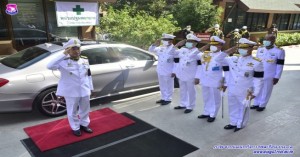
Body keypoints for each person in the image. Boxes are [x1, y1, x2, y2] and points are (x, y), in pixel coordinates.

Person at [215, 38, 264, 132]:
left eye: (244, 47)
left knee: (243, 107)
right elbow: (218, 59)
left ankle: (241, 124)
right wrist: (229, 50)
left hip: (245, 90)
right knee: (232, 106)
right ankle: (233, 122)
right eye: (240, 47)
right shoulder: (233, 59)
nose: (242, 49)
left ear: (251, 48)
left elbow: (258, 79)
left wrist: (256, 92)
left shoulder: (257, 62)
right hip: (232, 88)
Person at [47, 38, 94, 137]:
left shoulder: (84, 59)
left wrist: (90, 88)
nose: (77, 51)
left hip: (84, 89)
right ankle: (75, 127)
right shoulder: (62, 61)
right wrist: (64, 54)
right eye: (73, 49)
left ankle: (84, 124)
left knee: (85, 108)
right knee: (72, 110)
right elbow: (49, 66)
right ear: (68, 50)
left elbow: (88, 75)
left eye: (78, 48)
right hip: (71, 91)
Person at [195, 36, 228, 122]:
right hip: (205, 80)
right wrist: (205, 46)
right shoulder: (206, 54)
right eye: (211, 44)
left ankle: (213, 114)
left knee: (215, 98)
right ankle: (206, 112)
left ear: (220, 46)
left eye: (215, 45)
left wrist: (225, 83)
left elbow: (226, 71)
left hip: (216, 81)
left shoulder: (223, 57)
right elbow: (194, 54)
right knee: (206, 97)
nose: (212, 46)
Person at [252, 34, 285, 111]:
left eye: (268, 39)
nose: (265, 41)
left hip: (269, 74)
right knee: (257, 88)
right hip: (259, 73)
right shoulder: (260, 49)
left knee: (266, 90)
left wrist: (277, 76)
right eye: (265, 39)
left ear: (273, 41)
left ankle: (262, 105)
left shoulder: (279, 51)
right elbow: (256, 61)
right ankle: (256, 103)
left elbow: (280, 65)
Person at [171, 34, 202, 113]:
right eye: (187, 41)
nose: (188, 42)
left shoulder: (198, 53)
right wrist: (177, 45)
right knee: (182, 90)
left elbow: (200, 66)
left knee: (191, 91)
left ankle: (190, 106)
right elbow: (172, 52)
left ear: (195, 43)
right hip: (181, 74)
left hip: (191, 75)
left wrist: (198, 77)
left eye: (191, 41)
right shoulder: (182, 50)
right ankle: (183, 104)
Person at [149, 33, 177, 105]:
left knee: (169, 85)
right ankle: (163, 98)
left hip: (169, 71)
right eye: (163, 39)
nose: (164, 41)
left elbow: (177, 62)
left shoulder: (174, 49)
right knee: (162, 85)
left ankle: (168, 99)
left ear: (170, 41)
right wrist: (154, 44)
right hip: (160, 70)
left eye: (165, 40)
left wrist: (174, 71)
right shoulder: (161, 48)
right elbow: (151, 50)